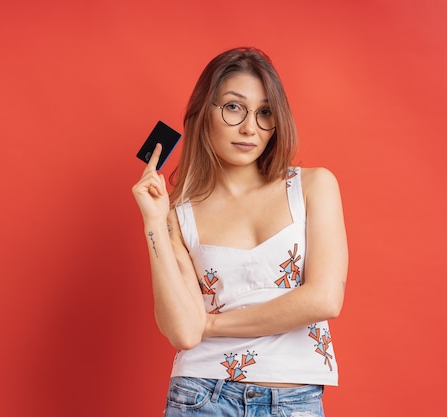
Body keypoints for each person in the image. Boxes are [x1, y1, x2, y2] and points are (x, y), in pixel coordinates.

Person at [132, 47, 348, 417]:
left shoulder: (313, 186)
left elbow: (325, 299)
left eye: (265, 112)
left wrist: (212, 323)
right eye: (234, 107)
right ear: (205, 112)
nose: (250, 127)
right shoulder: (177, 214)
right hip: (202, 397)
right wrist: (154, 221)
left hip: (295, 401)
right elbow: (185, 332)